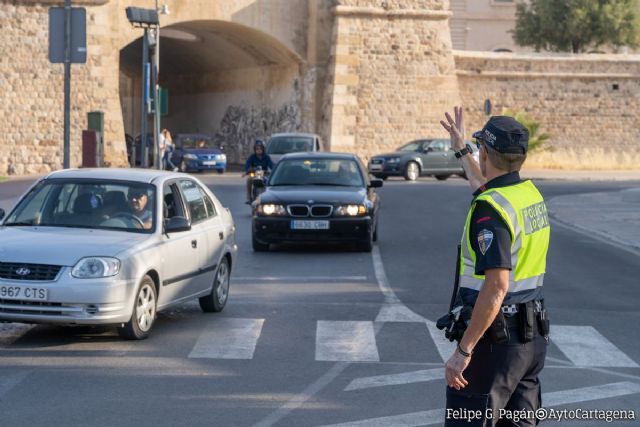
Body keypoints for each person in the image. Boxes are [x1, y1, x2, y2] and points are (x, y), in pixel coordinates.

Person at [439, 107, 550, 427]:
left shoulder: (490, 210)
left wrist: (464, 349)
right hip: (530, 343)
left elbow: (497, 285)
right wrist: (462, 148)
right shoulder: (527, 195)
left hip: (494, 345)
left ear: (485, 152)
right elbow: (483, 183)